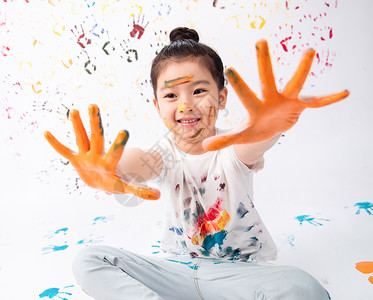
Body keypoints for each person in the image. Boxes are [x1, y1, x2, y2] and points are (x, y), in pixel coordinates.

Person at [44, 27, 349, 299]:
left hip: (238, 276)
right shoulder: (161, 156)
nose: (186, 104)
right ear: (157, 104)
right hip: (174, 272)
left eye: (199, 91)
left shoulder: (233, 148)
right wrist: (110, 169)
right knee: (88, 261)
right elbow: (138, 161)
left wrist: (272, 127)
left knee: (303, 287)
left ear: (222, 97)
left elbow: (252, 145)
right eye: (171, 94)